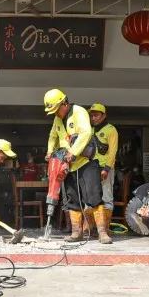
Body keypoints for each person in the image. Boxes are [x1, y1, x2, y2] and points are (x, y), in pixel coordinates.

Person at [44, 89, 112, 244]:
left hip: (85, 162)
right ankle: (77, 232)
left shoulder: (78, 112)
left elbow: (86, 133)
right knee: (72, 199)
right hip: (68, 165)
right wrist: (50, 151)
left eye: (56, 110)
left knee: (94, 197)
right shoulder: (57, 120)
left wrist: (73, 153)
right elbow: (52, 136)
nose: (55, 114)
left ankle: (102, 232)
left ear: (65, 104)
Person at [89, 103, 118, 230]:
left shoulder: (111, 130)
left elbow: (113, 151)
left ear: (104, 116)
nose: (93, 118)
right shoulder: (89, 130)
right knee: (90, 198)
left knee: (106, 198)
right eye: (92, 115)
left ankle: (104, 229)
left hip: (104, 168)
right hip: (90, 168)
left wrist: (106, 168)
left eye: (96, 115)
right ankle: (91, 229)